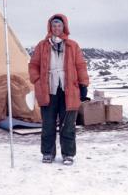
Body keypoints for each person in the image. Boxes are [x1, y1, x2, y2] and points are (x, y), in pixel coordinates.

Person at [28, 14, 89, 165]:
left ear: (64, 27)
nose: (56, 28)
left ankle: (68, 154)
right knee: (48, 123)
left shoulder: (72, 45)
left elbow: (80, 66)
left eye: (59, 26)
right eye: (54, 26)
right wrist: (37, 80)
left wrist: (83, 85)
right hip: (48, 90)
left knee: (67, 124)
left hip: (69, 90)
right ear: (50, 27)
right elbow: (33, 65)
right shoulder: (42, 46)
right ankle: (48, 153)